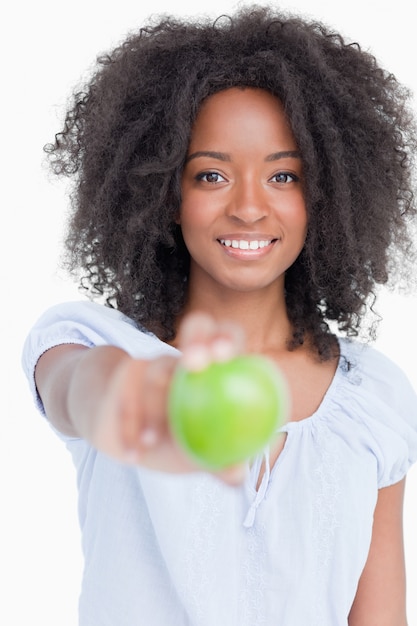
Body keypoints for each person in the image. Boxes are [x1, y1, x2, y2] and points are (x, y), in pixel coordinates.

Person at [22, 6, 417, 625]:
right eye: (211, 175)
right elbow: (73, 387)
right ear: (162, 193)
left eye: (283, 176)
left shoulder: (374, 398)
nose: (250, 208)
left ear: (325, 198)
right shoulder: (89, 339)